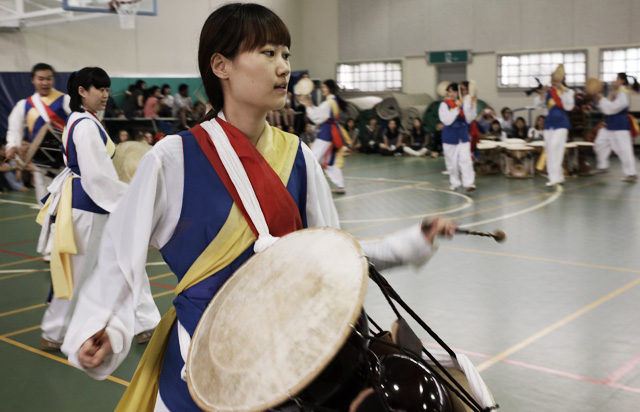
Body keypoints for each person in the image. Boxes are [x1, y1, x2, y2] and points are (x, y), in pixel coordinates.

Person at [62, 4, 457, 411]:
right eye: (268, 54)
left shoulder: (298, 156)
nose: (284, 67)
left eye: (286, 54)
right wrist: (105, 326)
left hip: (289, 365)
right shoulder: (172, 159)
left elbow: (330, 257)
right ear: (221, 65)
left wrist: (407, 245)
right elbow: (118, 254)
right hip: (202, 364)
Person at [35, 67, 160, 351]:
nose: (105, 95)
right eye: (99, 89)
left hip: (95, 204)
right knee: (78, 272)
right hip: (88, 206)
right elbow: (98, 177)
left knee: (128, 263)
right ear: (82, 91)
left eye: (106, 89)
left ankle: (145, 323)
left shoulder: (88, 121)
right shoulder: (85, 125)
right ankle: (54, 332)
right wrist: (131, 201)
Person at [5, 63, 71, 204]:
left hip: (66, 161)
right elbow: (14, 129)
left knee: (67, 203)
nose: (45, 83)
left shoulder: (65, 100)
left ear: (53, 80)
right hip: (41, 164)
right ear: (33, 80)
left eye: (48, 79)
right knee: (45, 203)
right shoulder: (24, 105)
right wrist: (12, 146)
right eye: (41, 79)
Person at [299, 79, 349, 194]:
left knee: (313, 156)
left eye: (324, 87)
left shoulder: (328, 103)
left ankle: (306, 185)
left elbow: (317, 117)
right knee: (330, 161)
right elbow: (321, 113)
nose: (322, 89)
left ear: (330, 89)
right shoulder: (333, 101)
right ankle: (340, 186)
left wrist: (307, 106)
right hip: (333, 133)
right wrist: (310, 105)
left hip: (326, 133)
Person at [533, 64, 575, 187]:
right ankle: (555, 176)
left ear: (560, 80)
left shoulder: (568, 92)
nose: (553, 81)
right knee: (550, 149)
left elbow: (569, 106)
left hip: (561, 123)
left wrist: (562, 92)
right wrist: (542, 94)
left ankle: (556, 177)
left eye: (555, 79)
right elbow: (538, 106)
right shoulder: (548, 92)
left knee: (556, 146)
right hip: (548, 124)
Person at [594, 72, 639, 181]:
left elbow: (613, 108)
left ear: (622, 81)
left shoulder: (623, 93)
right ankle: (602, 166)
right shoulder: (617, 93)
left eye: (616, 79)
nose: (614, 81)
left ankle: (631, 173)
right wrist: (600, 100)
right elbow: (607, 109)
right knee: (600, 142)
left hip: (620, 125)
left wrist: (602, 99)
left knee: (624, 149)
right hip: (611, 124)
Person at [438, 82, 477, 192]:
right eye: (449, 91)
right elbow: (446, 121)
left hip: (463, 135)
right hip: (449, 136)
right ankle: (454, 182)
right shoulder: (444, 105)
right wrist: (456, 109)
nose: (451, 93)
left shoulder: (465, 103)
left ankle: (468, 183)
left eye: (454, 91)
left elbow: (469, 119)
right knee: (452, 163)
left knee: (466, 160)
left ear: (458, 92)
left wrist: (471, 107)